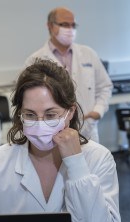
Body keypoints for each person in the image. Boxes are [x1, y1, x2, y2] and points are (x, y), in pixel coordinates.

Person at [0, 59, 121, 222]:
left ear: (70, 112)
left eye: (50, 115)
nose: (40, 124)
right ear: (20, 115)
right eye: (30, 115)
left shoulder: (98, 158)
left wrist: (76, 165)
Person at [24, 7, 113, 143]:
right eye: (64, 24)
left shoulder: (88, 53)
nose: (70, 29)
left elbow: (105, 86)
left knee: (90, 162)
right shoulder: (35, 59)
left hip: (87, 128)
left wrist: (98, 111)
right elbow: (27, 97)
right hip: (51, 132)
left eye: (73, 25)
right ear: (50, 26)